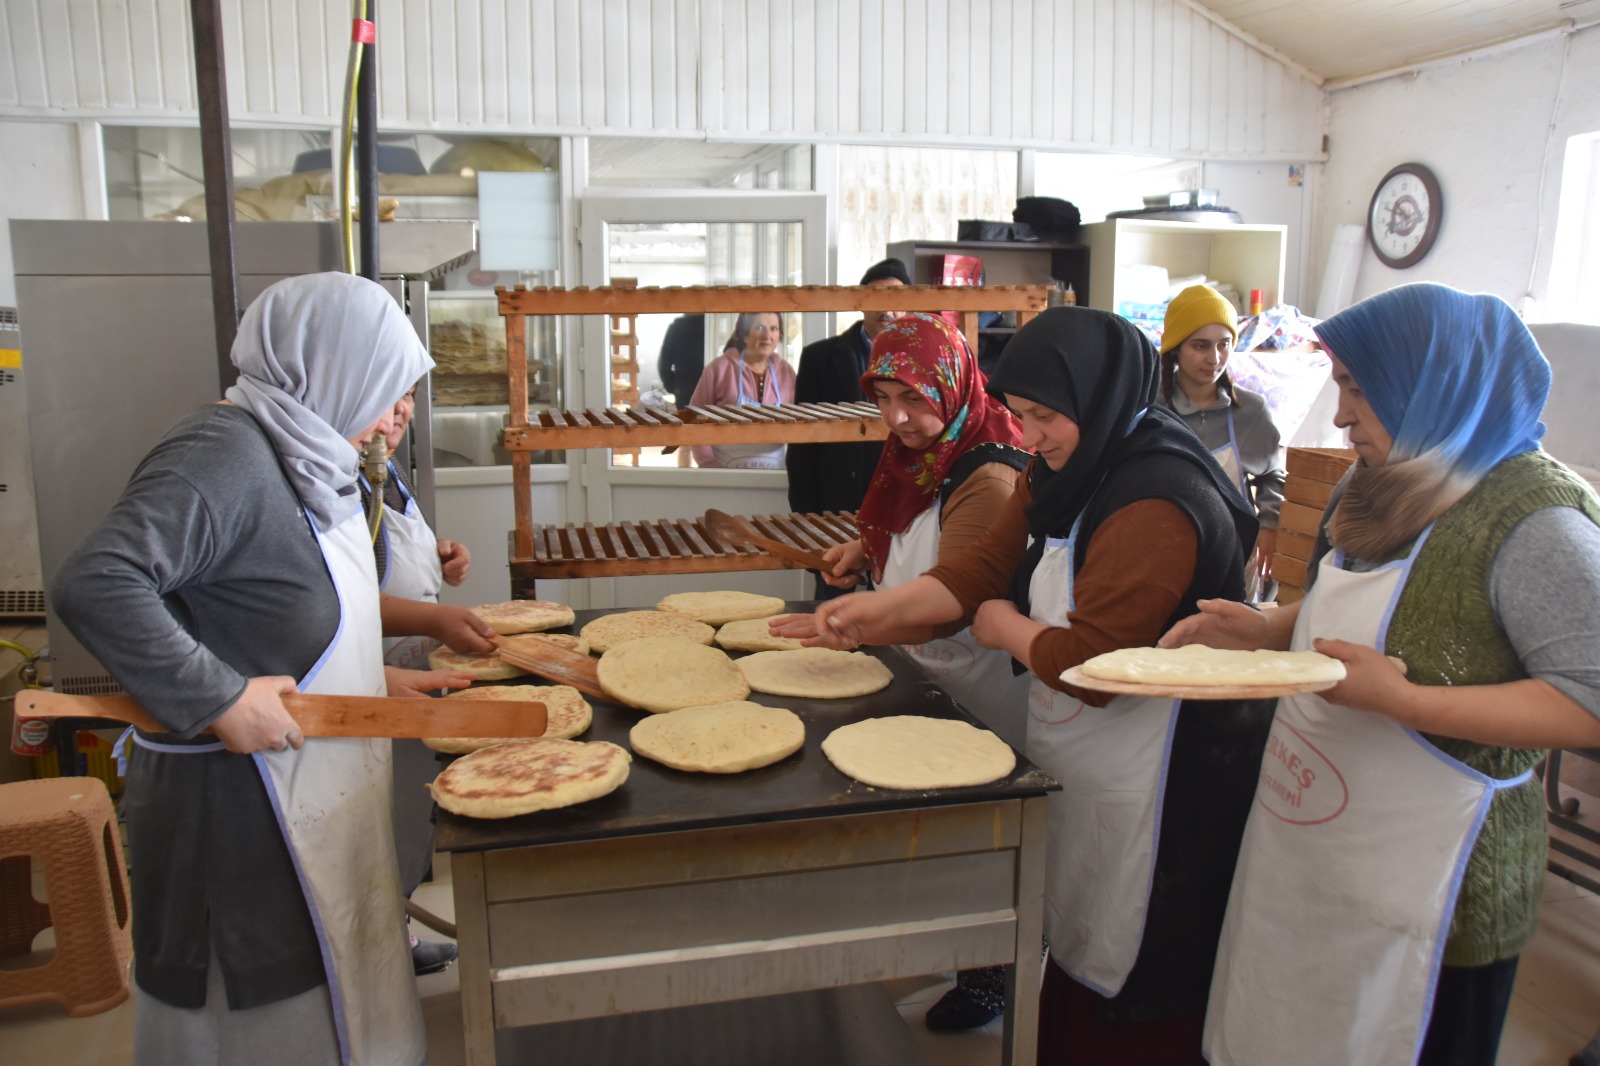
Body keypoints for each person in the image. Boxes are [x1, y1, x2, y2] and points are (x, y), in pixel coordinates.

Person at [786, 306, 1271, 1063]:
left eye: (1045, 417)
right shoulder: (1065, 469)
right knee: (1076, 942)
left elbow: (1096, 666)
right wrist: (871, 613)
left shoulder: (1156, 497)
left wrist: (1005, 627)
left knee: (1137, 971)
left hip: (1166, 783)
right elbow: (975, 572)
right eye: (1018, 415)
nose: (1030, 437)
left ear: (1100, 396)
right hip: (1090, 755)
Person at [1161, 283, 1600, 1066]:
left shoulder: (1534, 521)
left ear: (1433, 385)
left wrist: (1404, 701)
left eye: (1360, 390)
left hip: (1436, 893)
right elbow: (1343, 607)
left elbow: (1589, 702)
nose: (1339, 414)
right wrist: (1265, 628)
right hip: (1314, 847)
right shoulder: (1373, 485)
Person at [50, 273, 468, 1065]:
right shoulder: (226, 452)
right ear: (330, 367)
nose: (396, 405)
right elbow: (97, 580)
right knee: (264, 1026)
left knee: (338, 993)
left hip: (316, 784)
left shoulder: (309, 455)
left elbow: (275, 613)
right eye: (387, 382)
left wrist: (376, 687)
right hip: (240, 808)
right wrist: (217, 696)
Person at [810, 311, 1030, 1030]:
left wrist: (860, 616)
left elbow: (954, 597)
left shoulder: (988, 470)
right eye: (883, 398)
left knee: (982, 836)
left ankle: (992, 978)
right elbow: (904, 528)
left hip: (982, 678)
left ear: (953, 383)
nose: (897, 418)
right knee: (939, 830)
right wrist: (861, 555)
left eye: (913, 399)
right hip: (927, 669)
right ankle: (948, 945)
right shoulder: (921, 451)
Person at [359, 382, 496, 977]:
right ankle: (373, 953)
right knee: (376, 824)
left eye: (409, 394)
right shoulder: (331, 482)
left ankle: (396, 936)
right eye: (387, 394)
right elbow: (337, 599)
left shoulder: (383, 470)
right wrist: (435, 615)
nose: (402, 410)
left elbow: (391, 555)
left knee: (407, 819)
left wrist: (441, 556)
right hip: (368, 682)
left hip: (414, 676)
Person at [788, 257, 911, 597]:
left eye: (896, 299)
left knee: (890, 623)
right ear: (860, 303)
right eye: (876, 298)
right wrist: (804, 519)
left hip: (898, 515)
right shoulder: (819, 357)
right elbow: (801, 445)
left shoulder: (920, 360)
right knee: (830, 621)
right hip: (831, 513)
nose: (886, 309)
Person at [1157, 284, 1286, 600]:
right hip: (1163, 552)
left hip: (1237, 554)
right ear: (1175, 347)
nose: (1214, 358)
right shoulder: (1151, 411)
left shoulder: (1251, 412)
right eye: (1200, 346)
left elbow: (1273, 476)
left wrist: (1269, 526)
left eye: (1224, 344)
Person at [689, 311, 797, 469]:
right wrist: (711, 467)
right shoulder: (719, 369)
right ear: (744, 334)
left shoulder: (786, 372)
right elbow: (694, 420)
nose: (767, 335)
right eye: (760, 327)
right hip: (725, 475)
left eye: (773, 328)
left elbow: (800, 426)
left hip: (775, 475)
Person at [656, 312, 707, 405]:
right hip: (707, 387)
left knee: (685, 418)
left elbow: (664, 365)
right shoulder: (713, 327)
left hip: (683, 387)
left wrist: (673, 387)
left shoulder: (675, 329)